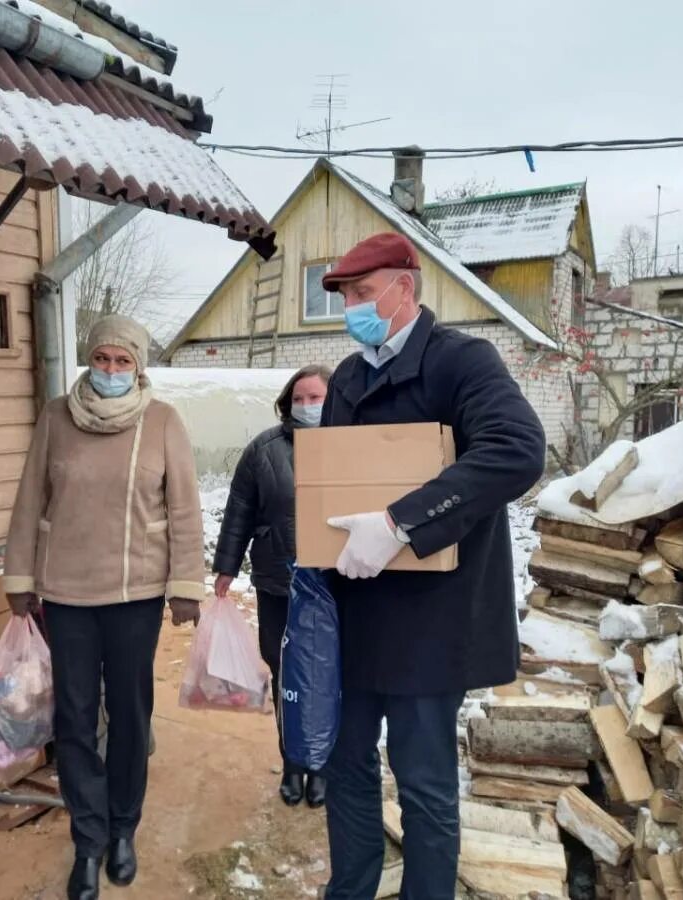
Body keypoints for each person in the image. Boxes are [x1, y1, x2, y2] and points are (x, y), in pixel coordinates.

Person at [317, 234, 546, 899]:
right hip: (354, 613)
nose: (352, 310)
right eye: (347, 299)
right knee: (346, 766)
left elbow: (516, 450)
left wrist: (399, 524)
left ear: (403, 289)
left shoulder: (461, 363)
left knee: (423, 783)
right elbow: (329, 485)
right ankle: (351, 890)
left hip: (431, 624)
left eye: (363, 295)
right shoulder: (348, 378)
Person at [3, 315, 205, 900]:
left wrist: (185, 585)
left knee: (130, 714)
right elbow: (27, 498)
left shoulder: (163, 421)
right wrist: (20, 576)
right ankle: (87, 840)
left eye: (124, 361)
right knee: (74, 717)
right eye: (103, 359)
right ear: (88, 361)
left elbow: (186, 509)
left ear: (139, 366)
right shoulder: (56, 417)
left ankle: (123, 829)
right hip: (65, 595)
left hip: (135, 595)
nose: (112, 370)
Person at [212, 364, 332, 808]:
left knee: (327, 674)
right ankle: (292, 763)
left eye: (316, 398)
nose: (306, 407)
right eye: (299, 399)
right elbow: (239, 508)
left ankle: (321, 765)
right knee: (286, 675)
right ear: (287, 402)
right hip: (279, 582)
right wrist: (226, 566)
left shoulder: (352, 443)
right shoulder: (264, 449)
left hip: (336, 586)